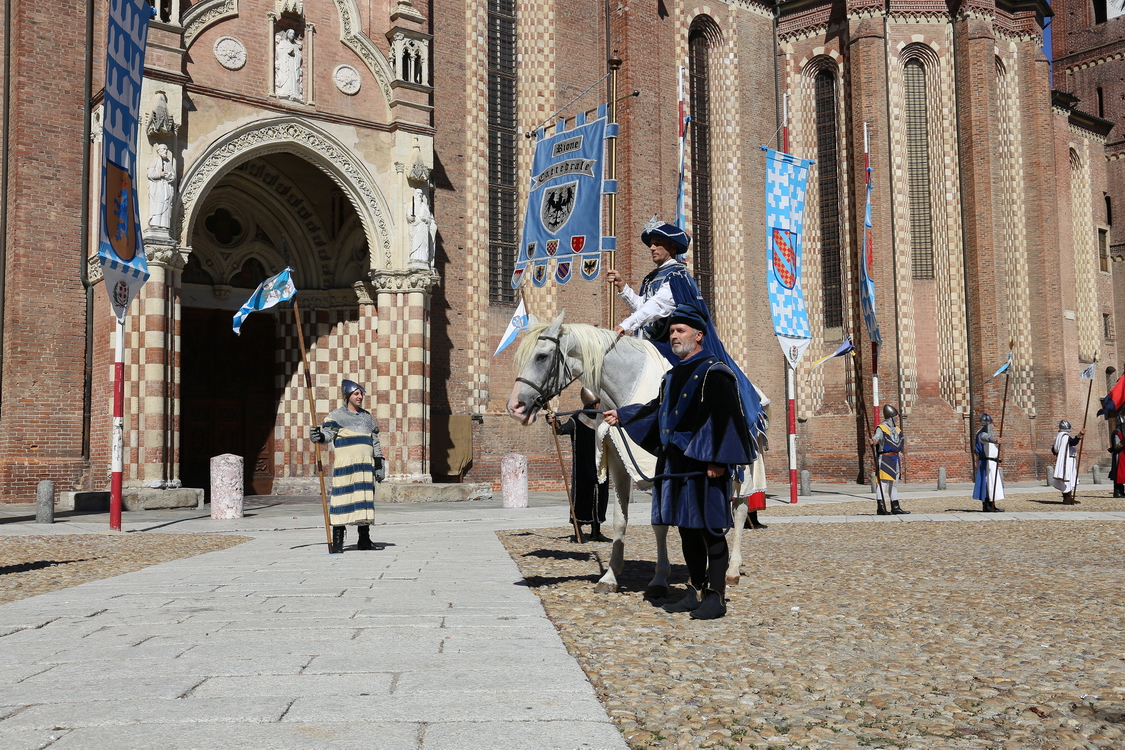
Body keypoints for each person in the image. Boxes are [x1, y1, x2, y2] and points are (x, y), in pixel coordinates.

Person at [603, 305, 755, 620]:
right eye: (672, 331)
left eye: (681, 331)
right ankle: (695, 591)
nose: (675, 336)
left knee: (711, 531)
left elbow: (726, 417)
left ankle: (716, 597)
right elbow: (657, 410)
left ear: (698, 336)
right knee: (686, 530)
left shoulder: (716, 372)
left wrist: (718, 459)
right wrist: (624, 414)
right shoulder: (671, 376)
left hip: (705, 465)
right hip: (675, 466)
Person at [605, 215, 766, 458]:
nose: (652, 247)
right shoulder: (652, 277)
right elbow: (644, 307)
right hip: (656, 338)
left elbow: (657, 306)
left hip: (672, 346)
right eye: (650, 243)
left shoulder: (677, 275)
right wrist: (623, 288)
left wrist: (625, 325)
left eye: (657, 243)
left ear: (672, 247)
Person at [310, 379, 386, 552]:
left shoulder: (368, 417)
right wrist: (319, 436)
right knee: (342, 499)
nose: (360, 397)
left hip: (365, 465)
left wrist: (379, 463)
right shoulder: (336, 416)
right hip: (346, 465)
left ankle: (364, 540)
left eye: (361, 394)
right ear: (347, 396)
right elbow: (328, 436)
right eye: (356, 394)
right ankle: (337, 541)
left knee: (364, 500)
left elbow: (375, 442)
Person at [546, 387, 609, 542]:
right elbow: (562, 430)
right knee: (582, 497)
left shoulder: (602, 419)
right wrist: (554, 423)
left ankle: (596, 531)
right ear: (593, 403)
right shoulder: (577, 418)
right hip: (583, 465)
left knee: (600, 495)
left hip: (600, 464)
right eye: (598, 402)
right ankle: (577, 530)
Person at [870, 404, 909, 515]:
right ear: (891, 416)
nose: (897, 417)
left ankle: (895, 506)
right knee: (883, 483)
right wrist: (873, 440)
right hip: (885, 458)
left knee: (894, 484)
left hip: (895, 458)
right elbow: (877, 437)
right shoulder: (881, 428)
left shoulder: (897, 429)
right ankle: (881, 507)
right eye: (896, 415)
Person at [971, 413, 1004, 512]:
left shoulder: (982, 433)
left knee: (992, 484)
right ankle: (987, 506)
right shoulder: (982, 434)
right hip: (987, 463)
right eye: (991, 424)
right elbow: (987, 438)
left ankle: (992, 504)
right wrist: (995, 440)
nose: (992, 426)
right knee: (987, 483)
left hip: (991, 463)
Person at [1051, 420, 1085, 505]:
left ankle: (1069, 498)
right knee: (1067, 478)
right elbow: (1073, 442)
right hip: (1067, 460)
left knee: (1067, 479)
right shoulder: (1065, 436)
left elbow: (1053, 449)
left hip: (1063, 459)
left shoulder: (1058, 436)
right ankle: (1067, 499)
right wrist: (1079, 435)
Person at [146, 143, 176, 233]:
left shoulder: (168, 163)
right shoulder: (154, 161)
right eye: (163, 149)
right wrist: (161, 174)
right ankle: (155, 223)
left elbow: (173, 174)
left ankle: (164, 225)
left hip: (166, 187)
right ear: (158, 151)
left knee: (166, 205)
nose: (165, 151)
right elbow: (150, 174)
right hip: (158, 187)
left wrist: (171, 176)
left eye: (166, 149)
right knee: (158, 205)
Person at [275, 29, 303, 99]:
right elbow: (279, 52)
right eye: (291, 33)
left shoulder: (295, 46)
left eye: (293, 34)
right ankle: (284, 91)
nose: (292, 35)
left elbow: (299, 56)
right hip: (285, 64)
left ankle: (295, 93)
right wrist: (287, 52)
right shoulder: (283, 43)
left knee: (293, 79)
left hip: (293, 66)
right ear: (287, 34)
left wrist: (294, 54)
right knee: (286, 78)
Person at [1110, 408, 1125, 498]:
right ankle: (1117, 492)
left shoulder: (1123, 433)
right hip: (1119, 455)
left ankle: (1121, 491)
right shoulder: (1117, 433)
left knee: (1123, 474)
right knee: (1117, 474)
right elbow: (1116, 446)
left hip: (1123, 455)